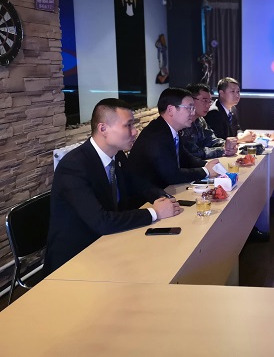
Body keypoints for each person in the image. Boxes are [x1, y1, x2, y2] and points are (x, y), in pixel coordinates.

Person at [45, 99, 183, 274]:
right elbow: (101, 221)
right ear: (103, 129)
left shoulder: (117, 155)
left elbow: (138, 184)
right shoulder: (74, 166)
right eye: (128, 125)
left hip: (110, 242)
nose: (135, 131)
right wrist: (155, 213)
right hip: (76, 258)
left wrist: (163, 197)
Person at [128, 87, 220, 189]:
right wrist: (206, 171)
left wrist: (208, 164)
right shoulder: (157, 135)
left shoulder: (170, 129)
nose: (193, 113)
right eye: (189, 108)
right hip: (149, 195)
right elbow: (172, 175)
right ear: (171, 110)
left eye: (193, 108)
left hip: (166, 189)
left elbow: (185, 157)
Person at [180, 83, 237, 160]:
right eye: (204, 101)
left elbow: (211, 140)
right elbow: (194, 153)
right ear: (190, 100)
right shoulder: (182, 122)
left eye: (210, 101)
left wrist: (228, 145)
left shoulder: (200, 120)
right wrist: (223, 150)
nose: (208, 105)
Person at [205, 77, 256, 142]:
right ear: (221, 93)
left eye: (238, 91)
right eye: (232, 91)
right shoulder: (214, 113)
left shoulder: (233, 108)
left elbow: (237, 128)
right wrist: (242, 139)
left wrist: (242, 134)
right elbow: (218, 140)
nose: (237, 95)